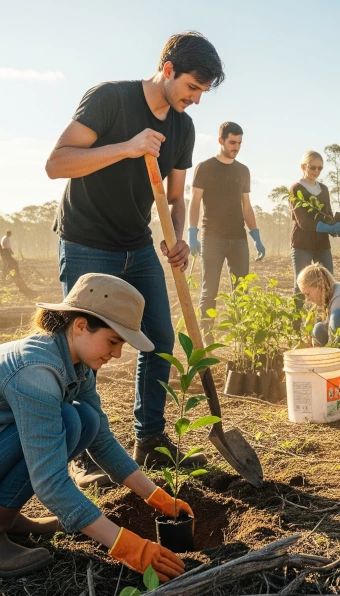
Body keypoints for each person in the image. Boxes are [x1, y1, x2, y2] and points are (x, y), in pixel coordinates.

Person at [45, 32, 224, 487]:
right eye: (192, 87)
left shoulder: (182, 127)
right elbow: (57, 163)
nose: (196, 99)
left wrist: (178, 238)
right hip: (86, 240)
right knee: (82, 347)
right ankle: (83, 451)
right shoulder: (110, 99)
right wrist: (127, 146)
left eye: (203, 91)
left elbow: (176, 196)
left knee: (160, 338)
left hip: (137, 244)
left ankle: (151, 439)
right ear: (168, 70)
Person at [0, 274, 190, 581]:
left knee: (85, 420)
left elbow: (102, 441)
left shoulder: (74, 364)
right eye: (113, 341)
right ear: (81, 326)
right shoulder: (35, 373)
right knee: (68, 420)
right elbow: (50, 482)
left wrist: (156, 496)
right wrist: (127, 546)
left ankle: (4, 515)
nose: (117, 354)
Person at [188, 121, 266, 344]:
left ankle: (241, 339)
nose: (236, 147)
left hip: (239, 239)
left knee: (241, 291)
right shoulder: (204, 167)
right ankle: (207, 340)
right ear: (220, 140)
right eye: (232, 142)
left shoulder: (243, 170)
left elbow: (246, 206)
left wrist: (256, 236)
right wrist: (192, 233)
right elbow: (195, 202)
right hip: (212, 237)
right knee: (209, 290)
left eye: (239, 143)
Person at [289, 150, 340, 300]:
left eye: (320, 168)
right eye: (312, 167)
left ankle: (328, 314)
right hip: (302, 244)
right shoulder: (296, 189)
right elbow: (303, 222)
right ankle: (296, 316)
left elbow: (328, 215)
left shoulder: (324, 189)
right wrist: (329, 228)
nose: (316, 171)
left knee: (328, 284)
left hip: (322, 244)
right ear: (303, 166)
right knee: (300, 286)